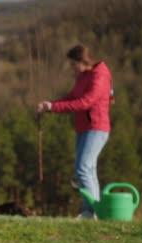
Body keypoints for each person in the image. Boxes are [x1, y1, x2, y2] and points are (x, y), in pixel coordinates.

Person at [37, 44, 113, 219]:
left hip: (96, 128)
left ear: (82, 61)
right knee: (89, 169)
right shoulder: (83, 76)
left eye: (73, 65)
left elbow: (85, 102)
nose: (72, 68)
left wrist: (54, 107)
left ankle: (91, 211)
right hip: (83, 128)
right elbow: (72, 97)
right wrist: (50, 105)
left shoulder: (100, 76)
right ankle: (95, 211)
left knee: (83, 168)